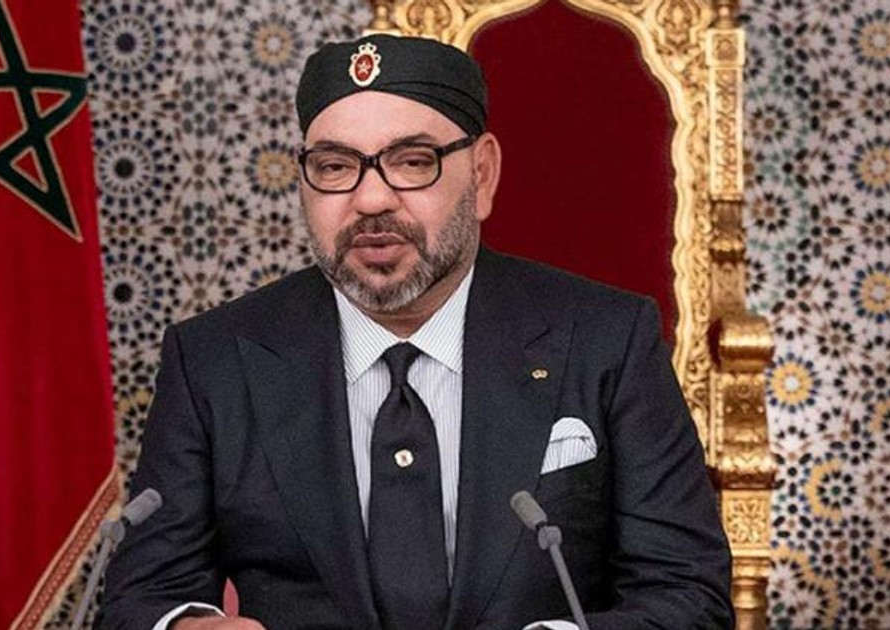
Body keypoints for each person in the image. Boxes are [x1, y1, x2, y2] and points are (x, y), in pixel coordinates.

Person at [97, 34, 733, 630]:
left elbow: (688, 595)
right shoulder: (215, 359)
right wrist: (186, 625)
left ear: (481, 174)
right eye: (335, 166)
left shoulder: (605, 340)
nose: (371, 199)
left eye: (412, 162)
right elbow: (143, 597)